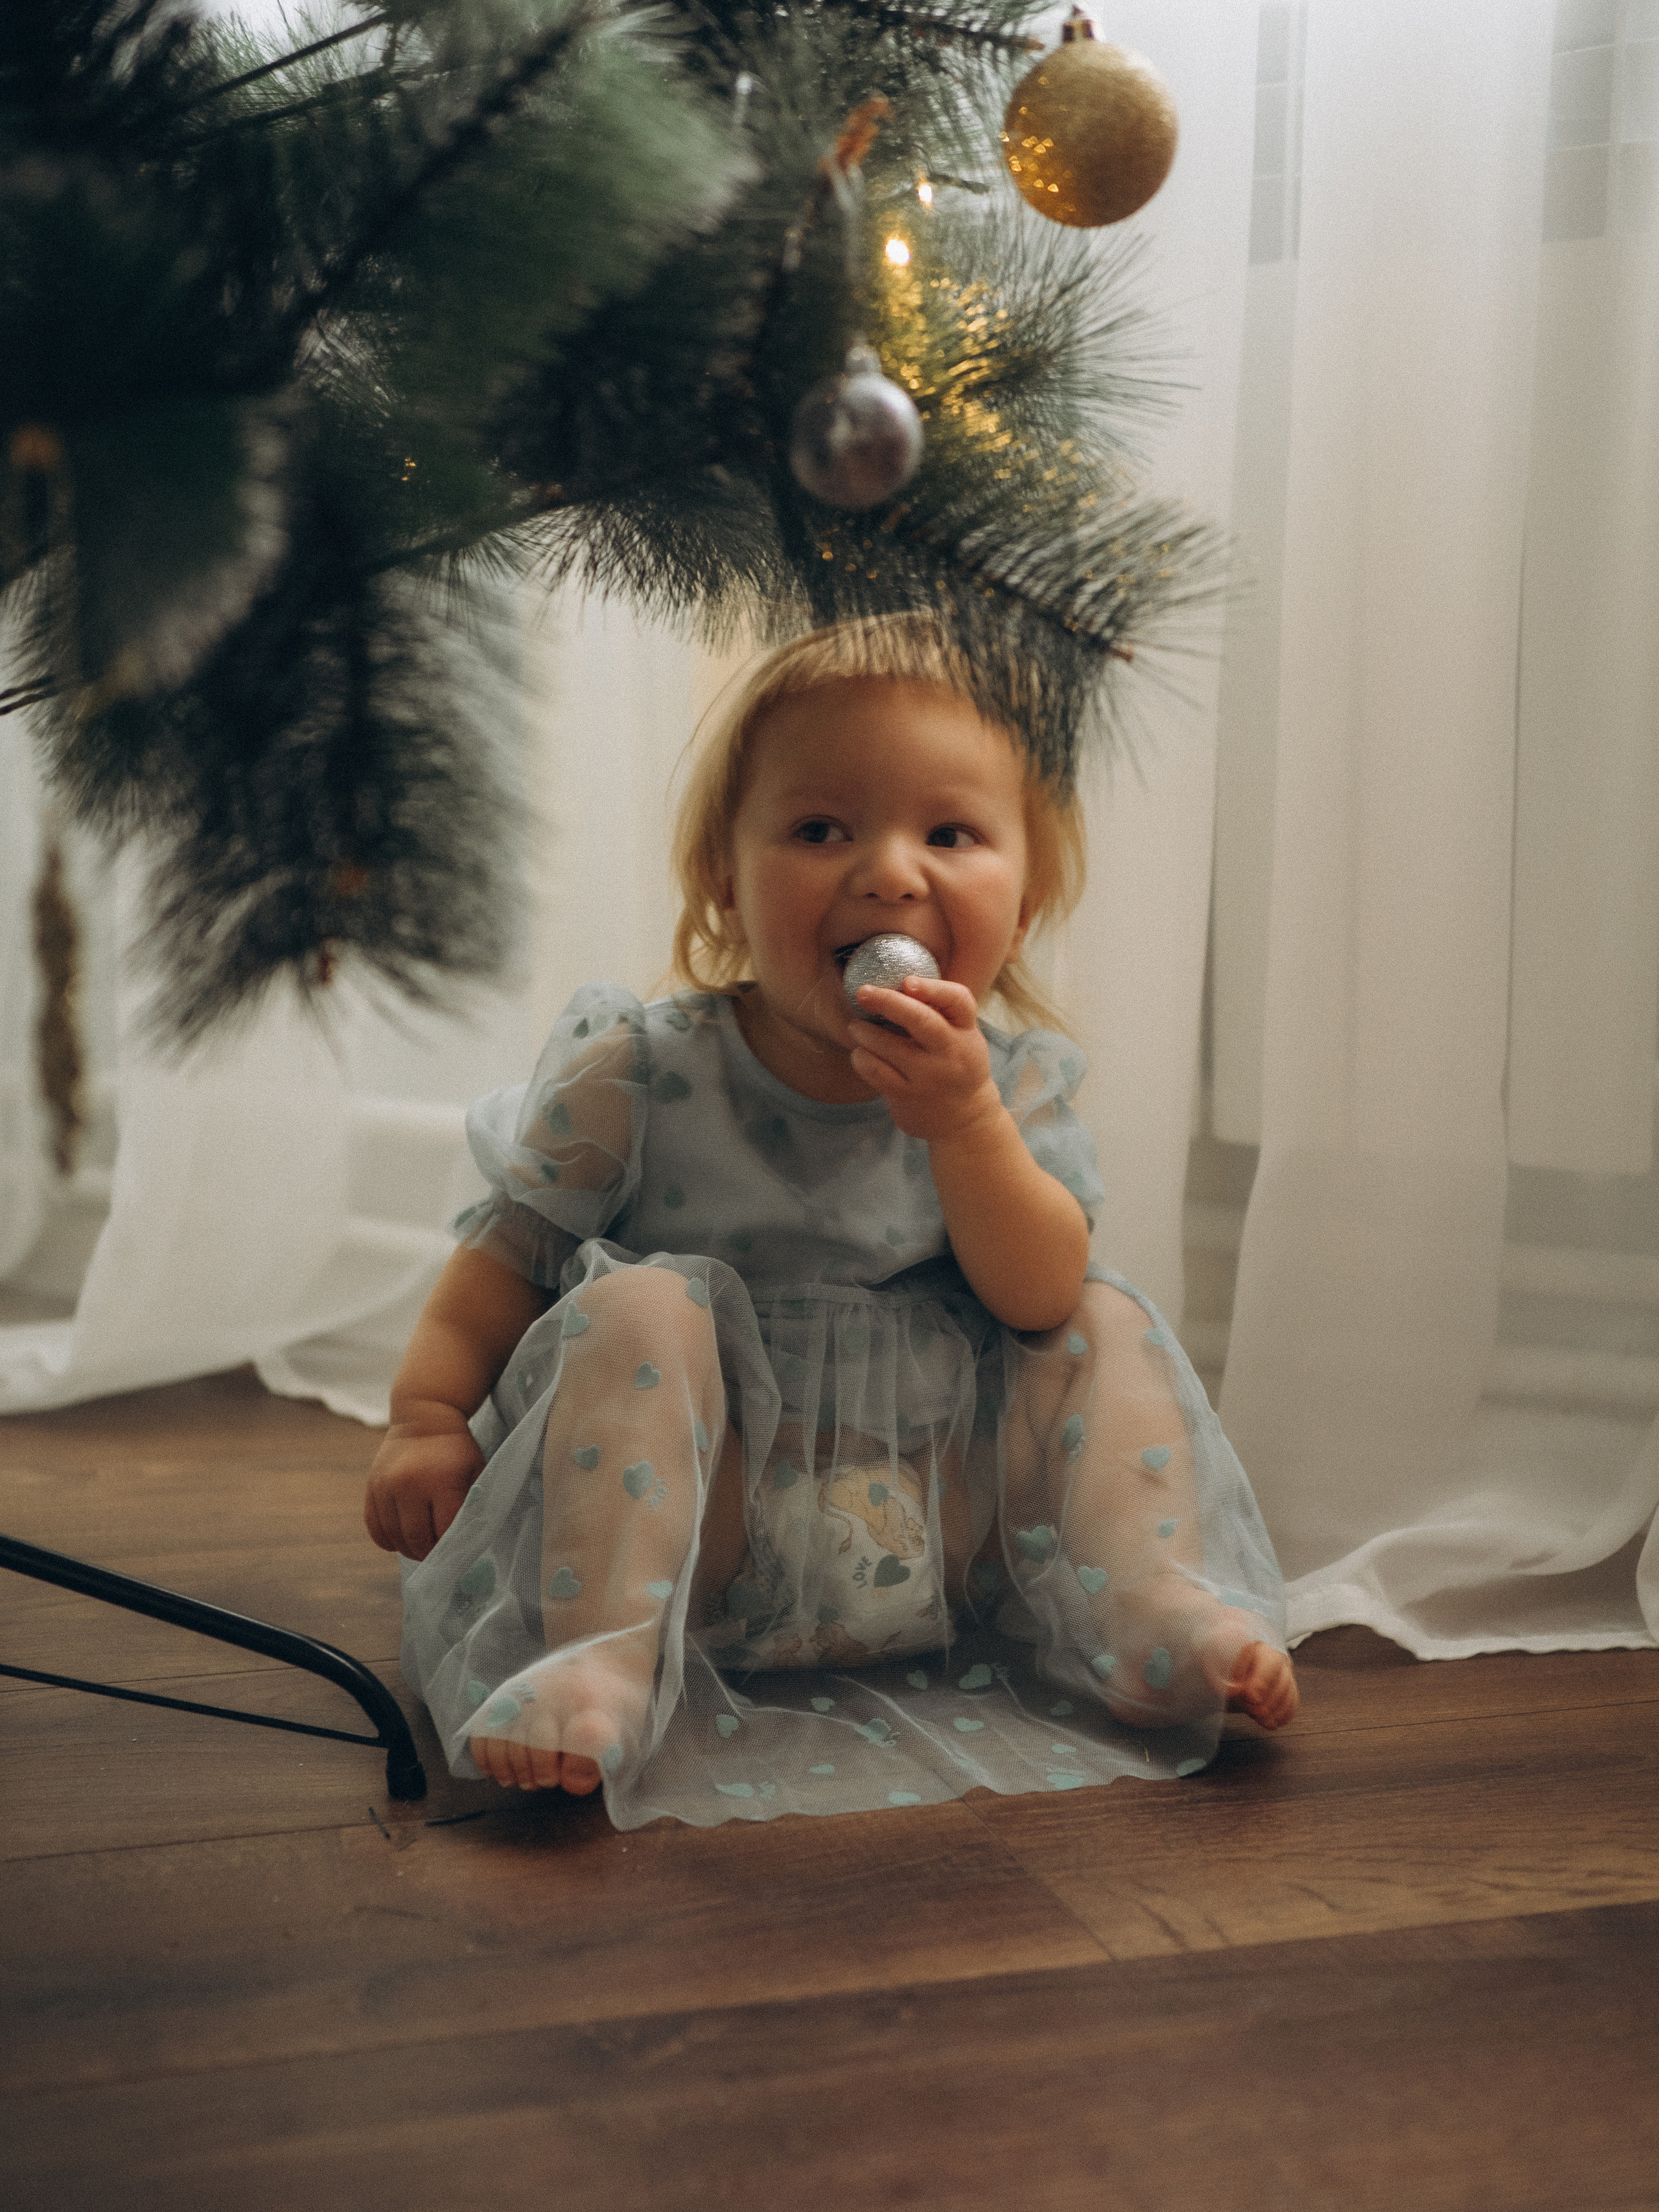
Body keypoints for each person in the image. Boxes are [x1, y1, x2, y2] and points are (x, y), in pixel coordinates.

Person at [369, 616, 1297, 1828]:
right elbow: (510, 1252)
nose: (889, 872)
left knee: (1101, 1322)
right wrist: (426, 1415)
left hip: (944, 1539)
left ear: (1029, 895)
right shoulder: (639, 1072)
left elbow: (1035, 1296)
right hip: (702, 1532)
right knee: (637, 1302)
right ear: (726, 879)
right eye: (820, 830)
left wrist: (964, 1126)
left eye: (950, 833)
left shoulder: (1009, 1088)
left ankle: (1149, 1605)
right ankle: (603, 1658)